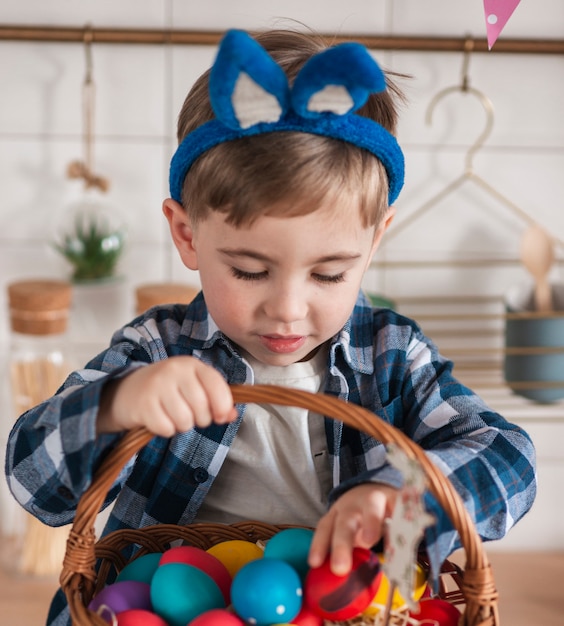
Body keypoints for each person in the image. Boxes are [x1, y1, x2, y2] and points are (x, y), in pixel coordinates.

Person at [6, 28, 536, 625]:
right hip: (174, 601)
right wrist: (117, 404)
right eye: (249, 270)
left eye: (330, 274)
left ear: (375, 241)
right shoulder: (159, 350)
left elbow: (509, 457)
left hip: (341, 607)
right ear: (186, 235)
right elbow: (34, 481)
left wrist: (398, 494)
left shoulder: (391, 356)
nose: (287, 309)